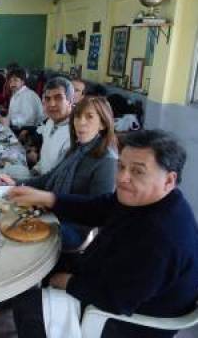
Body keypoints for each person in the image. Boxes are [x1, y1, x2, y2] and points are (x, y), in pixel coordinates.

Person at [11, 129, 198, 338]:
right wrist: (48, 198)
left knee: (28, 305)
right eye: (121, 166)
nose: (122, 178)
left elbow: (118, 299)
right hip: (114, 278)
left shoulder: (163, 237)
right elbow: (97, 208)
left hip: (130, 322)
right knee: (44, 259)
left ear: (169, 180)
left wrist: (67, 282)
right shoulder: (145, 199)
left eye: (137, 171)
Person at [5, 96, 117, 249]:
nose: (81, 122)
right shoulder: (77, 149)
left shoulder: (107, 161)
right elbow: (50, 177)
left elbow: (96, 212)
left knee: (18, 234)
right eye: (77, 116)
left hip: (75, 228)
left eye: (89, 117)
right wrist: (16, 184)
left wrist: (48, 199)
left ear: (103, 123)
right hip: (53, 212)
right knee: (8, 216)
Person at [31, 77, 74, 175]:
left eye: (58, 98)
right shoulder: (50, 121)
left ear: (70, 101)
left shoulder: (75, 132)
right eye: (47, 99)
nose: (52, 104)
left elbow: (59, 176)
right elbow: (45, 159)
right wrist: (34, 170)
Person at [6, 68, 43, 135]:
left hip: (29, 132)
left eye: (15, 80)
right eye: (10, 81)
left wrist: (10, 121)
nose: (12, 83)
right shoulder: (16, 93)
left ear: (22, 82)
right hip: (17, 126)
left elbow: (28, 120)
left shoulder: (27, 95)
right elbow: (12, 114)